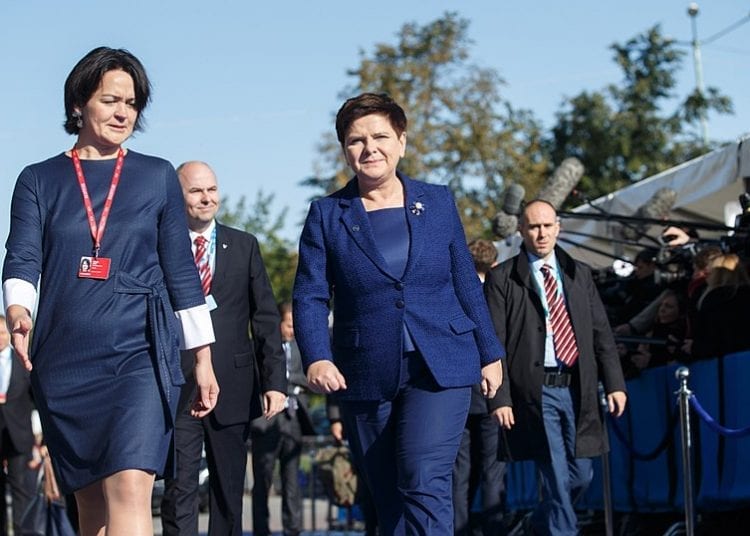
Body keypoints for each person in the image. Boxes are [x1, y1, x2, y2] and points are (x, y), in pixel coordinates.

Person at [2, 47, 219, 536]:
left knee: (129, 486)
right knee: (92, 507)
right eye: (110, 100)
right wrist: (18, 311)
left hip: (138, 351)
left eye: (132, 102)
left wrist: (202, 358)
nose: (123, 112)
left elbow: (180, 269)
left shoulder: (157, 176)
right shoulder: (38, 179)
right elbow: (22, 255)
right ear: (79, 103)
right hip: (65, 356)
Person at [292, 92, 505, 535]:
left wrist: (490, 351)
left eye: (380, 137)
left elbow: (465, 280)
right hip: (366, 371)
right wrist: (317, 356)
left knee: (423, 478)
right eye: (356, 140)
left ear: (402, 142)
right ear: (345, 150)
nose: (370, 148)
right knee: (387, 498)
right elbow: (310, 294)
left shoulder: (438, 201)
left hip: (441, 363)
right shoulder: (327, 215)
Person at [484, 199, 627, 536]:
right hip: (535, 391)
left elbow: (601, 333)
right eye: (534, 227)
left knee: (581, 475)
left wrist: (615, 383)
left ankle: (536, 526)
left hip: (578, 387)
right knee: (555, 474)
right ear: (521, 230)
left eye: (547, 226)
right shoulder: (503, 278)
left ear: (558, 228)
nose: (542, 233)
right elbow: (493, 342)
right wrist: (500, 398)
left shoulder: (579, 273)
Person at [161, 160, 287, 536]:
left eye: (212, 189)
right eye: (196, 190)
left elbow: (265, 316)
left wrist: (275, 381)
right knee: (179, 489)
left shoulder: (244, 245)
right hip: (178, 384)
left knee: (229, 491)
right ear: (177, 196)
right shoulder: (160, 246)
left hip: (233, 384)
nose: (206, 198)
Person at [453, 239, 507, 536]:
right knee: (492, 470)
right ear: (494, 265)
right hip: (492, 393)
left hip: (459, 392)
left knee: (459, 472)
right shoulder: (495, 295)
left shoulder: (452, 293)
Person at [250, 302, 314, 536]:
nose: (292, 330)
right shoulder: (263, 348)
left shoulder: (301, 349)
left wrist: (291, 384)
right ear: (278, 322)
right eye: (289, 325)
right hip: (266, 420)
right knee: (263, 479)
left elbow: (309, 377)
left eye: (295, 326)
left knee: (292, 479)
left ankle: (292, 529)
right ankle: (261, 529)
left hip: (293, 418)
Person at [0, 316, 36, 535]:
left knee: (21, 490)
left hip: (19, 437)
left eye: (2, 333)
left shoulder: (23, 361)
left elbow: (35, 399)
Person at [687, 253, 750, 360]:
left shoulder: (714, 300)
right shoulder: (745, 296)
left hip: (724, 363)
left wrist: (694, 348)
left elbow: (713, 340)